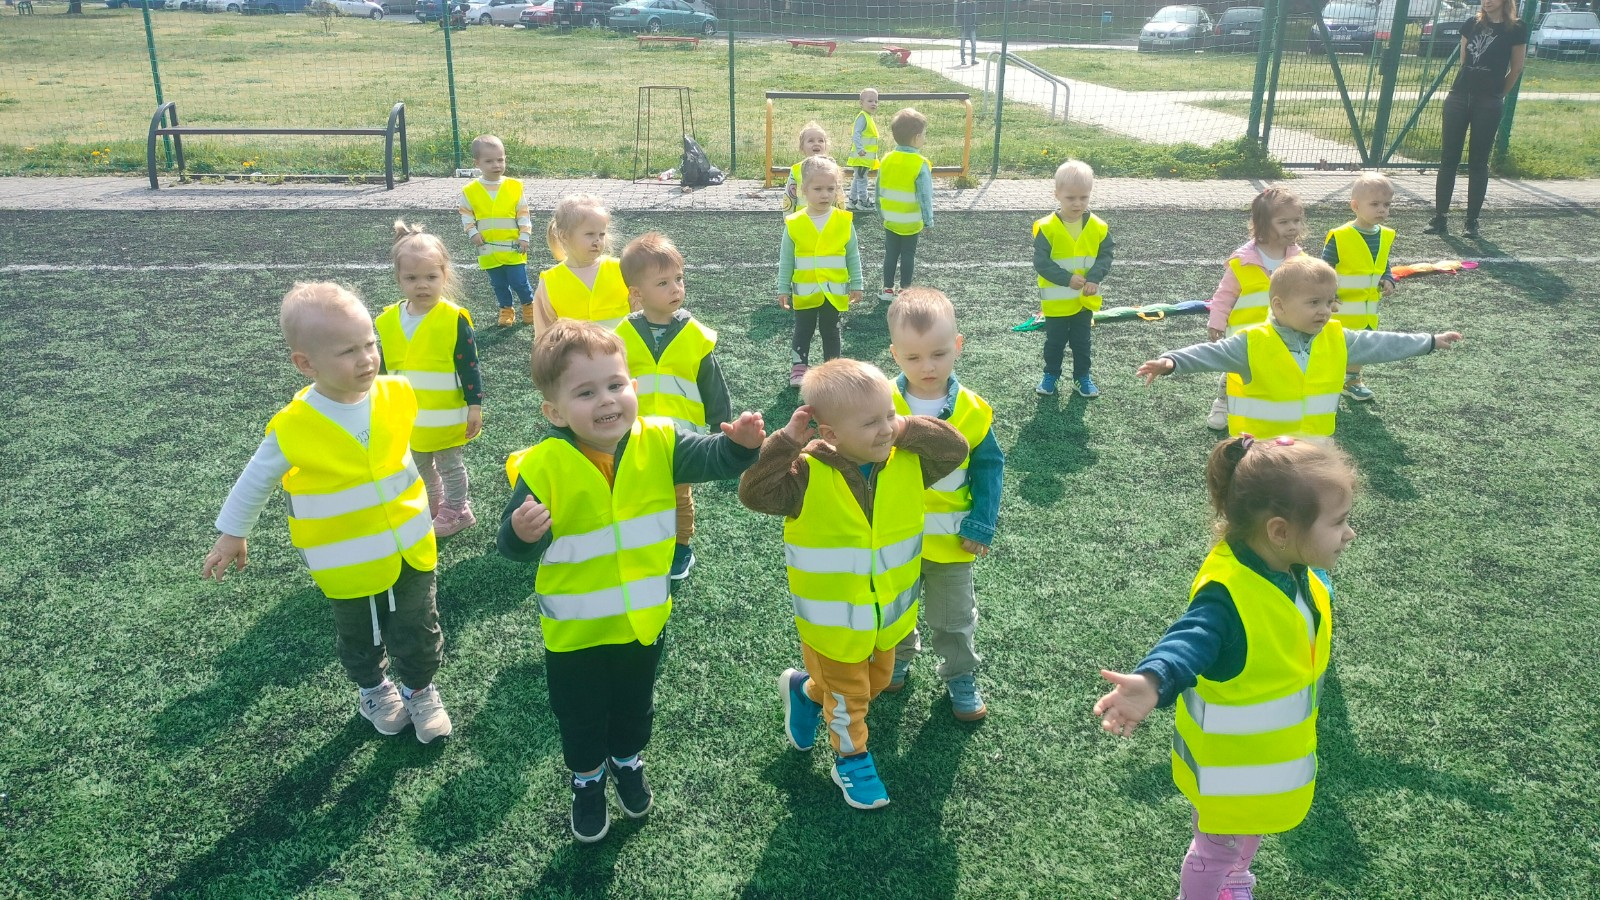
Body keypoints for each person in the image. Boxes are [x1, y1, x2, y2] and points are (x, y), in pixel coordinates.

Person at [498, 320, 766, 843]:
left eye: (616, 385)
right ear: (554, 412)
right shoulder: (545, 464)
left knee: (634, 704)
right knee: (580, 716)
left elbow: (714, 457)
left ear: (634, 387)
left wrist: (740, 447)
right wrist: (520, 532)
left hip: (643, 620)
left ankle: (626, 760)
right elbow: (511, 546)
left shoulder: (660, 440)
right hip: (575, 633)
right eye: (585, 392)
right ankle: (587, 779)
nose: (606, 400)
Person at [1094, 434, 1359, 900]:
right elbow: (1191, 638)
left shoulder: (1292, 568)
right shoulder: (1228, 595)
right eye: (1338, 522)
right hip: (1226, 773)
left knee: (1245, 836)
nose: (1349, 533)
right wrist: (1153, 680)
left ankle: (1234, 881)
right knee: (1215, 849)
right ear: (1280, 531)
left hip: (1264, 766)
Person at [201, 282, 452, 744]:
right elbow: (255, 478)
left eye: (370, 344)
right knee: (360, 634)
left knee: (419, 624)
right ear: (306, 363)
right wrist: (232, 533)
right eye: (347, 351)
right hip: (345, 561)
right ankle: (374, 690)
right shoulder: (295, 425)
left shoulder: (397, 394)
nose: (366, 359)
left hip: (412, 546)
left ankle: (420, 689)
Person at [739, 359, 968, 810]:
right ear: (830, 433)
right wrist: (786, 442)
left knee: (876, 681)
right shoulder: (805, 473)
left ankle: (807, 693)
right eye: (871, 423)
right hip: (832, 623)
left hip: (888, 616)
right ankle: (851, 759)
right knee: (851, 697)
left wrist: (903, 427)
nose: (886, 429)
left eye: (890, 414)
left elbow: (954, 449)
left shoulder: (907, 460)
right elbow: (755, 492)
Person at [1136, 256, 1463, 439]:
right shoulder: (1253, 342)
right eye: (1313, 302)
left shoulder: (1337, 337)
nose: (1325, 310)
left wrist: (1429, 341)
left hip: (1313, 451)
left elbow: (1383, 344)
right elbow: (1209, 354)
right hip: (1260, 454)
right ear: (1279, 306)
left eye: (1329, 301)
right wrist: (1171, 362)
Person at [882, 288, 1004, 722]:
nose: (927, 367)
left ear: (958, 345)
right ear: (894, 354)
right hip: (892, 539)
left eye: (938, 354)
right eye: (913, 358)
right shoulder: (880, 402)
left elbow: (989, 468)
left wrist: (981, 525)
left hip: (952, 542)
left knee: (953, 619)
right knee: (893, 609)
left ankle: (960, 675)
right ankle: (897, 658)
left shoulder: (973, 410)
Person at [616, 231, 734, 581]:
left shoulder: (695, 335)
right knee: (637, 492)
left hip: (681, 437)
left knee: (679, 495)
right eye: (663, 282)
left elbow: (713, 384)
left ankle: (681, 547)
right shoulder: (620, 336)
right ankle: (642, 541)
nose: (676, 289)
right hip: (634, 437)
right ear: (637, 294)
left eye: (679, 279)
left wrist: (723, 428)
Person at [375, 220, 483, 538]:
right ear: (399, 279)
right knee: (420, 465)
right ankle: (434, 505)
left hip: (447, 418)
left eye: (431, 277)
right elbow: (383, 371)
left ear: (444, 276)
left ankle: (458, 510)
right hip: (410, 419)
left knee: (450, 467)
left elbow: (469, 366)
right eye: (412, 278)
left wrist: (474, 406)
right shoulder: (388, 320)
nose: (422, 285)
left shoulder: (453, 319)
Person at [1204, 187, 1307, 429]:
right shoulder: (1243, 261)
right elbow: (1224, 295)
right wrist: (1217, 322)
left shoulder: (1300, 259)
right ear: (1262, 225)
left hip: (1283, 333)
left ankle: (1272, 406)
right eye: (1284, 222)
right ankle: (1223, 403)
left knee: (1277, 370)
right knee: (1238, 371)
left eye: (1296, 221)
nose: (1293, 227)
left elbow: (1310, 289)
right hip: (1245, 333)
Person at [1426, 0, 1526, 239]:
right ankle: (1440, 218)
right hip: (1459, 97)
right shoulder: (1471, 24)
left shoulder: (1517, 28)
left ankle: (1471, 222)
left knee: (1478, 163)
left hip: (1488, 102)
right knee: (1448, 159)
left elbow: (1516, 68)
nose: (1487, 1)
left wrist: (1497, 95)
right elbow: (1464, 60)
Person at [778, 156, 864, 387]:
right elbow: (786, 260)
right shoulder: (794, 223)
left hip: (834, 291)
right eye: (818, 189)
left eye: (830, 189)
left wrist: (857, 284)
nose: (825, 195)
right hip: (805, 291)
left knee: (831, 331)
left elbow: (852, 255)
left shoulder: (844, 221)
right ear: (804, 191)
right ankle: (799, 367)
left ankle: (832, 370)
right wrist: (783, 288)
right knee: (803, 330)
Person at [1033, 158, 1113, 398]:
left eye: (1084, 197)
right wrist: (1067, 279)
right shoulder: (1046, 227)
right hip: (1056, 304)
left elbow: (1105, 256)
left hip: (1084, 302)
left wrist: (1094, 278)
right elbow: (1041, 263)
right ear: (1057, 194)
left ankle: (1082, 378)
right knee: (1054, 343)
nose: (1078, 203)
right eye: (1070, 198)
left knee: (1082, 343)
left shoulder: (1098, 226)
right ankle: (1051, 375)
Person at [1321, 173, 1397, 402]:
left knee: (1360, 346)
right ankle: (1326, 380)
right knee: (1333, 346)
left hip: (1368, 310)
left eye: (1386, 205)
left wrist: (1388, 278)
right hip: (1339, 309)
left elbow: (1383, 263)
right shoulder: (1340, 236)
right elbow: (1325, 268)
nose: (1382, 210)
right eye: (1374, 204)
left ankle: (1352, 381)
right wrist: (1328, 297)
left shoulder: (1385, 235)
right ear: (1355, 206)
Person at [457, 135, 534, 328]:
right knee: (498, 284)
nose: (496, 165)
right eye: (489, 161)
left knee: (519, 282)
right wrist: (473, 232)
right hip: (488, 249)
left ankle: (529, 306)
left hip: (513, 248)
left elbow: (523, 213)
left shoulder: (514, 186)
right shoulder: (470, 190)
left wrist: (524, 236)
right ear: (477, 163)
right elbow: (466, 214)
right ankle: (506, 309)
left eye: (500, 160)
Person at [530, 194, 633, 335]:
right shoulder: (550, 281)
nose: (597, 240)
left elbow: (642, 313)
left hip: (622, 349)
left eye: (601, 234)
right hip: (574, 350)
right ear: (564, 236)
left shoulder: (621, 269)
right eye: (590, 234)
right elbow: (543, 334)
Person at [878, 108, 934, 300]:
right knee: (908, 254)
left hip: (891, 218)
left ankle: (887, 289)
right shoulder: (920, 163)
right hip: (910, 220)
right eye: (924, 134)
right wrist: (928, 220)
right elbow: (925, 196)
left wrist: (881, 212)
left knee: (891, 254)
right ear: (917, 137)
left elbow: (878, 188)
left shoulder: (886, 159)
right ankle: (904, 290)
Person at [782, 121, 835, 215]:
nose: (816, 143)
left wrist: (841, 216)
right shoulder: (796, 169)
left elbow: (839, 195)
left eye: (821, 140)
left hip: (827, 217)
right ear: (802, 147)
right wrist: (787, 218)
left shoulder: (832, 168)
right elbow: (789, 197)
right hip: (802, 218)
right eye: (811, 141)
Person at [845, 88, 881, 212]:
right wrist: (860, 149)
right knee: (862, 180)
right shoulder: (863, 117)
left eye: (876, 101)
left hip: (864, 157)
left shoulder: (868, 117)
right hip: (861, 156)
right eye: (870, 101)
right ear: (861, 103)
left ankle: (852, 200)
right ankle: (863, 201)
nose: (874, 104)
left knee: (858, 178)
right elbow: (856, 134)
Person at [956, 0, 980, 66]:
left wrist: (976, 24)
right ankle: (963, 60)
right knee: (963, 45)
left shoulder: (973, 5)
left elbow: (975, 15)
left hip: (972, 28)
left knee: (973, 44)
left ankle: (973, 60)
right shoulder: (962, 5)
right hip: (964, 28)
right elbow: (958, 16)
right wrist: (962, 23)